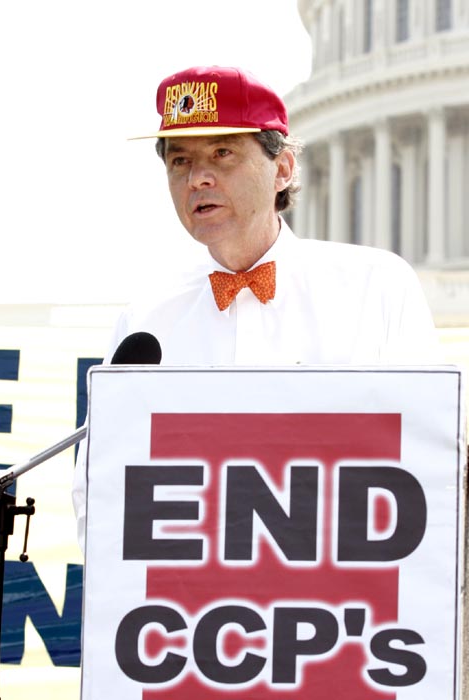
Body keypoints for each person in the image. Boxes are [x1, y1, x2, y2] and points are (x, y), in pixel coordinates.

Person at [72, 64, 440, 544]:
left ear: (282, 168)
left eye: (222, 153)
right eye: (179, 161)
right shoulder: (147, 318)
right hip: (190, 584)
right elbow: (98, 489)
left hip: (339, 579)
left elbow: (427, 460)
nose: (197, 178)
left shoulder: (376, 287)